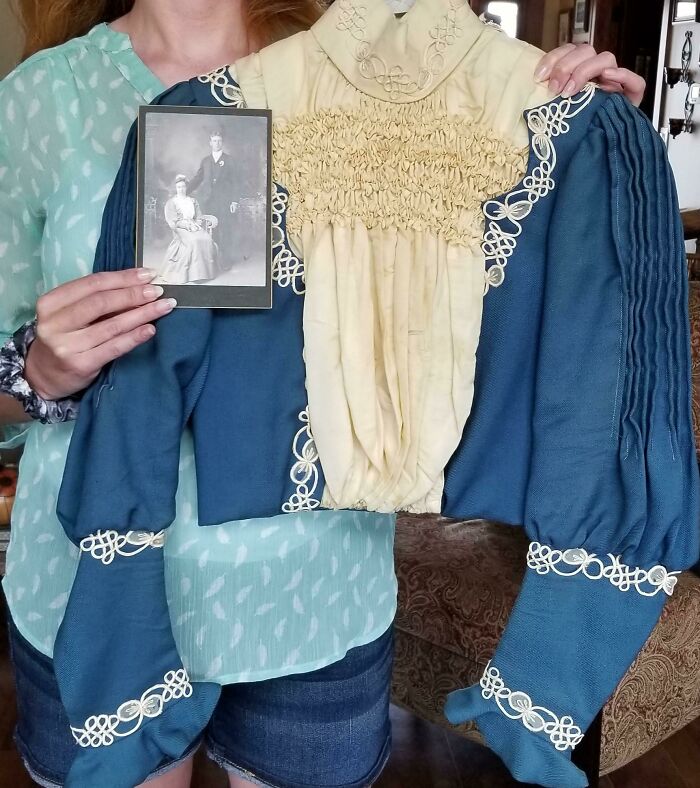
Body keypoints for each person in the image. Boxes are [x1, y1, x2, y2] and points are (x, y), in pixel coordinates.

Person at [0, 1, 648, 786]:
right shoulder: (40, 98)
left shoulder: (392, 72)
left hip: (315, 596)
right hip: (90, 600)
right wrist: (35, 370)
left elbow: (515, 290)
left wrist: (571, 121)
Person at [189, 129, 238, 259]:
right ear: (210, 143)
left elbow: (236, 181)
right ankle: (211, 260)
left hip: (224, 201)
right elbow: (198, 178)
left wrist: (234, 201)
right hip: (208, 201)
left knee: (225, 230)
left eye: (219, 141)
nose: (217, 143)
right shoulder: (205, 161)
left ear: (222, 143)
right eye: (214, 141)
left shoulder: (229, 160)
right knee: (210, 230)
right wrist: (184, 191)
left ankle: (226, 259)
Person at [160, 174, 218, 284]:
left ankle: (206, 274)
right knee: (194, 241)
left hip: (194, 225)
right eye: (179, 187)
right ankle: (195, 275)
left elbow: (199, 215)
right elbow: (173, 221)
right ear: (176, 188)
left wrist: (197, 224)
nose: (181, 189)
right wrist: (187, 226)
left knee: (207, 239)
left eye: (183, 187)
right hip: (181, 228)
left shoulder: (192, 201)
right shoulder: (172, 202)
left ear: (186, 187)